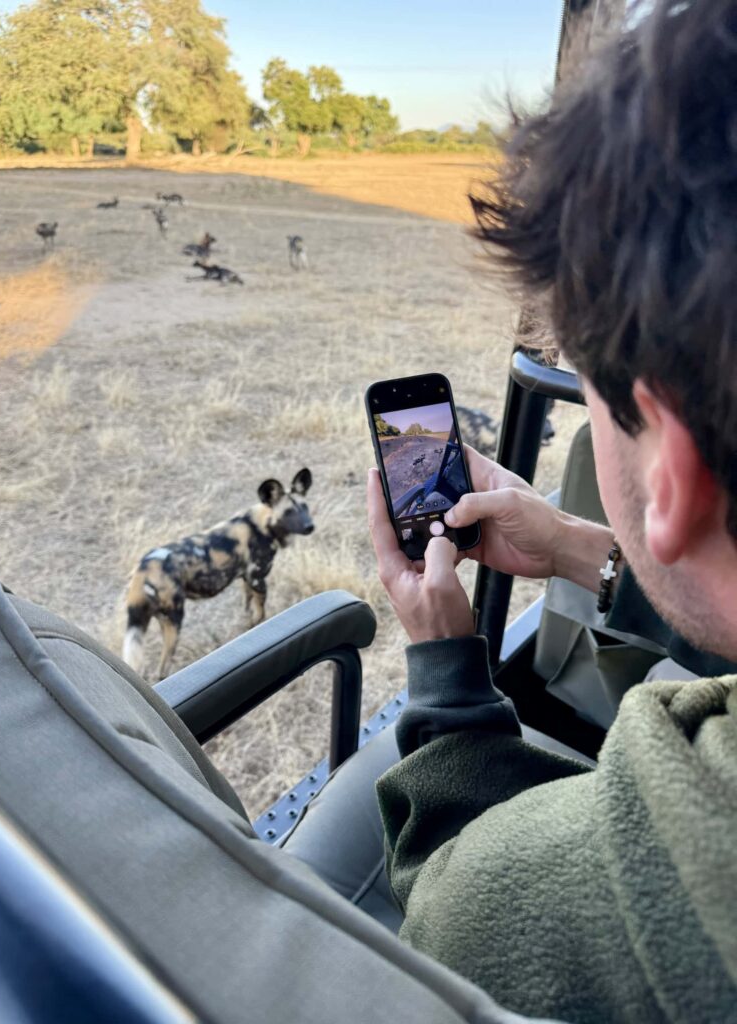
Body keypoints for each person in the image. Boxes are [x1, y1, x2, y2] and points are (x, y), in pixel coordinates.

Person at [366, 1, 737, 1021]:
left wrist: (443, 665)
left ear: (678, 473)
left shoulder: (695, 832)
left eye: (591, 395)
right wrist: (584, 550)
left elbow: (448, 911)